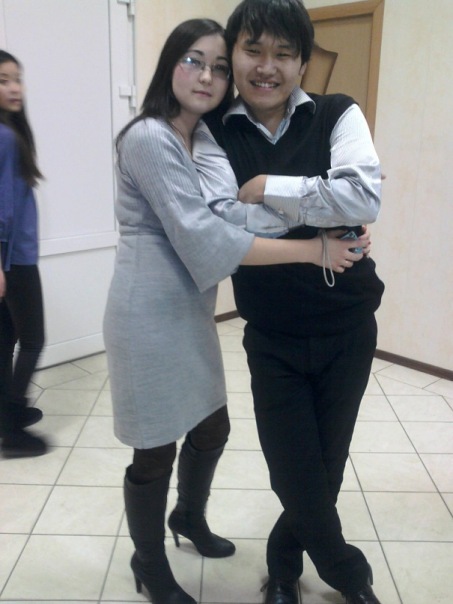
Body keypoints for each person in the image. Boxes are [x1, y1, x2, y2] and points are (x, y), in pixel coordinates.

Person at [102, 18, 368, 604]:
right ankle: (150, 564)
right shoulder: (150, 137)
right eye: (194, 61)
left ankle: (188, 517)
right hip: (147, 310)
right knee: (155, 446)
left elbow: (235, 214)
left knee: (211, 426)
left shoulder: (201, 138)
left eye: (218, 67)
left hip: (190, 307)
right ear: (169, 64)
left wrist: (322, 217)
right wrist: (315, 246)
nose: (208, 76)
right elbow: (205, 237)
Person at [193, 1, 385, 603]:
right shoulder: (213, 131)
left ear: (303, 61)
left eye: (283, 53)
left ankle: (282, 569)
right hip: (272, 333)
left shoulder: (338, 113)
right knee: (291, 468)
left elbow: (364, 199)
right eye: (253, 50)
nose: (266, 67)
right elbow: (222, 224)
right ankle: (349, 575)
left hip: (348, 326)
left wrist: (268, 188)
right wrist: (320, 220)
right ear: (234, 55)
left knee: (324, 467)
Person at [0, 50, 48, 458]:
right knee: (33, 338)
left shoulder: (8, 133)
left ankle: (5, 413)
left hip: (10, 257)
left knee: (6, 337)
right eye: (3, 81)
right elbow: (3, 209)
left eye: (17, 78)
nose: (15, 88)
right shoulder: (5, 137)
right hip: (13, 259)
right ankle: (12, 426)